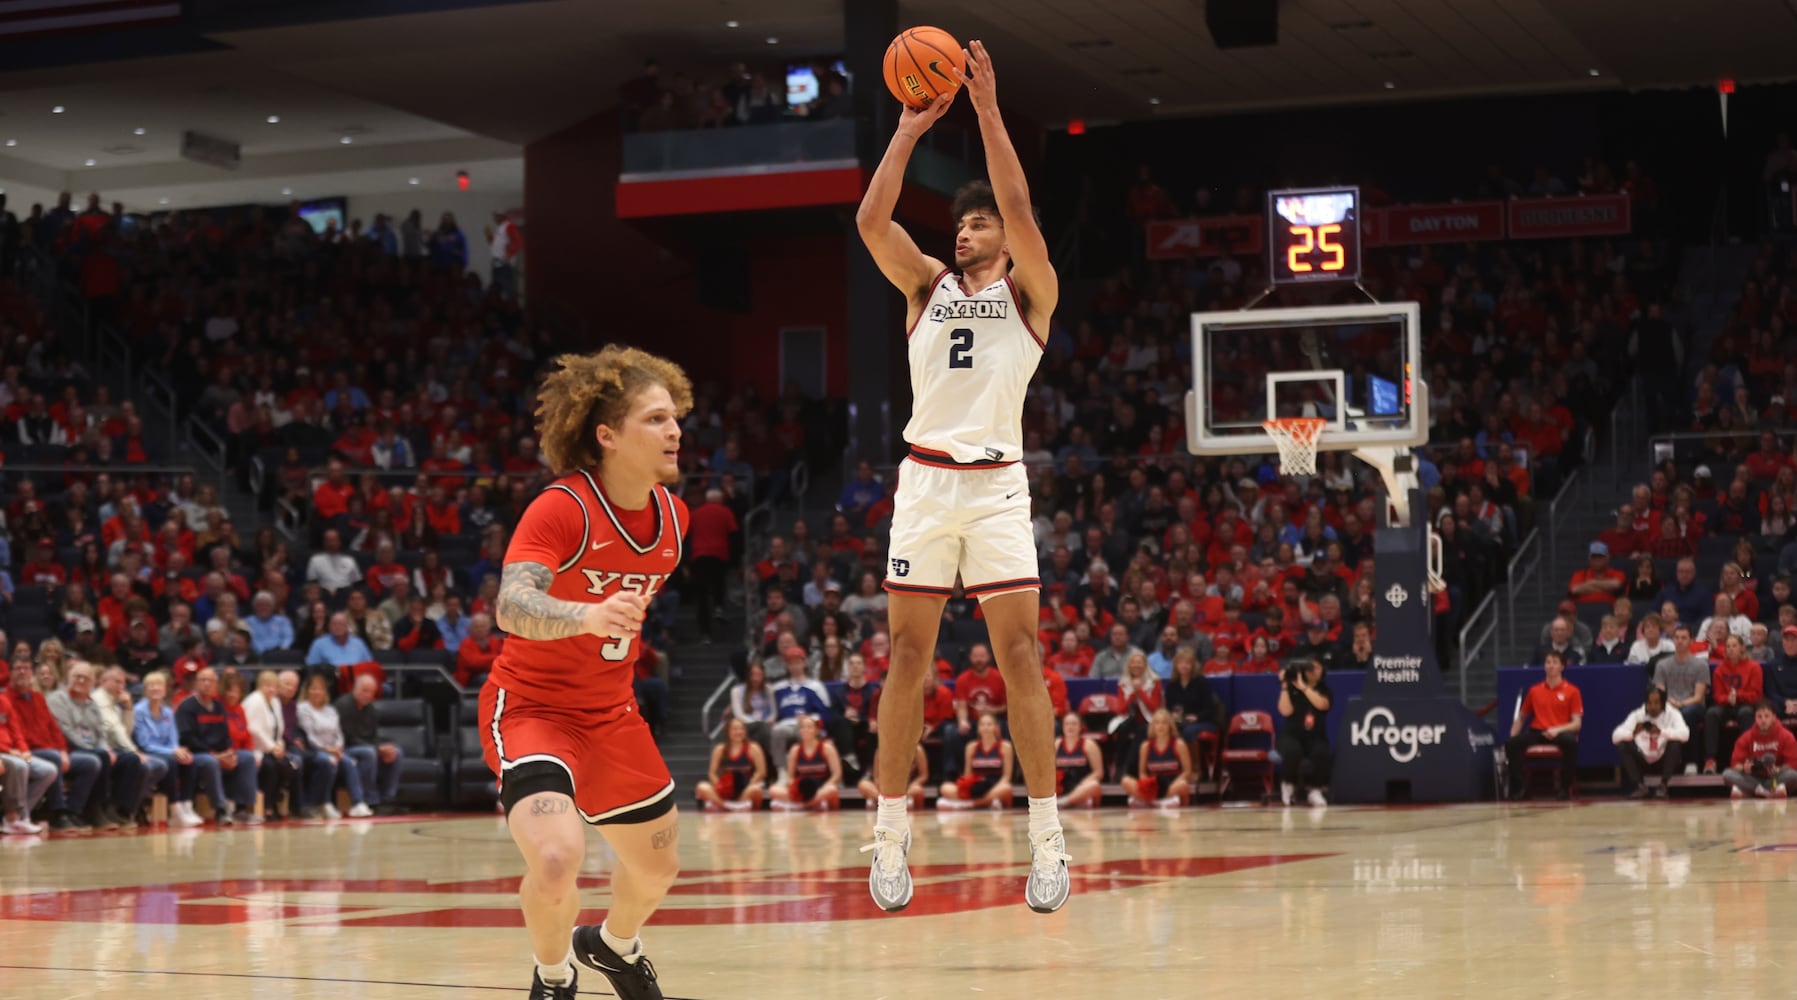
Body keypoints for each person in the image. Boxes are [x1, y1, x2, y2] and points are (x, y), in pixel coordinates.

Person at [855, 39, 1067, 915]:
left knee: (1021, 655)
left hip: (997, 488)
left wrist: (984, 109)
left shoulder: (1031, 294)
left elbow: (1015, 201)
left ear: (1006, 244)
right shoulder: (925, 288)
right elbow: (872, 224)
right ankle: (888, 835)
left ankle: (1048, 839)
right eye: (960, 224)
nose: (964, 230)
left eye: (976, 225)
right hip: (926, 482)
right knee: (907, 658)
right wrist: (906, 133)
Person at [479, 346, 690, 1000]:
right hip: (532, 710)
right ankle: (553, 975)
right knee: (554, 858)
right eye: (656, 419)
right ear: (607, 435)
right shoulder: (563, 507)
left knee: (657, 871)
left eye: (676, 417)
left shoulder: (675, 522)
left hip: (611, 714)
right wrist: (586, 616)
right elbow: (511, 606)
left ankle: (612, 945)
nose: (675, 431)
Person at [47, 660, 148, 830]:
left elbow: (100, 732)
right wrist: (97, 750)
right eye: (77, 677)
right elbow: (66, 731)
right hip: (69, 749)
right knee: (100, 756)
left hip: (93, 748)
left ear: (92, 683)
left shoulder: (91, 703)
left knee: (131, 759)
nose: (81, 681)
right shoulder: (58, 699)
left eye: (86, 678)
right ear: (68, 678)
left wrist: (104, 748)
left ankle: (116, 809)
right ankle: (94, 808)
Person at [174, 667, 260, 825]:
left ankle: (242, 809)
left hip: (218, 753)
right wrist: (215, 755)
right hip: (196, 754)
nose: (207, 684)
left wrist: (229, 753)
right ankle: (220, 810)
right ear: (196, 684)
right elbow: (187, 738)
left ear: (216, 685)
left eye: (211, 681)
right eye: (203, 680)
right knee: (210, 761)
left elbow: (225, 735)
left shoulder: (219, 706)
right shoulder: (186, 707)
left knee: (247, 757)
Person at [1505, 650, 1582, 800]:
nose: (1550, 666)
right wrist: (1512, 736)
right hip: (1538, 731)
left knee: (1571, 743)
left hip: (1560, 731)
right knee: (1511, 744)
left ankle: (1565, 788)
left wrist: (1556, 730)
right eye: (1548, 662)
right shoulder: (1535, 690)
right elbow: (1521, 718)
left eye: (1554, 662)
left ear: (1562, 667)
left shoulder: (1572, 691)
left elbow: (1576, 724)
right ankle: (1521, 788)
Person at [335, 674, 404, 816]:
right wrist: (376, 748)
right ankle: (371, 800)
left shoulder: (370, 709)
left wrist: (383, 747)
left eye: (371, 692)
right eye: (364, 690)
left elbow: (374, 736)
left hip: (367, 746)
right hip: (345, 748)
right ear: (355, 688)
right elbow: (348, 737)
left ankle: (388, 799)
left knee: (396, 752)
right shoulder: (343, 705)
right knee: (369, 753)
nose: (367, 695)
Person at [1612, 685, 1688, 798]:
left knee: (1675, 744)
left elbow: (1685, 734)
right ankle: (1640, 786)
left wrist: (1662, 732)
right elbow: (1615, 737)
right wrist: (1633, 734)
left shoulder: (1673, 714)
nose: (1653, 707)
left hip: (1663, 761)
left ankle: (1663, 785)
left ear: (1663, 703)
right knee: (1623, 745)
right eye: (1650, 703)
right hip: (1643, 760)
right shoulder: (1637, 715)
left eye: (1656, 703)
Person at [1276, 658, 1334, 807]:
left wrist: (1305, 689)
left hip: (1315, 736)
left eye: (1317, 668)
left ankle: (1315, 790)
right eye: (1310, 668)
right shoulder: (1292, 689)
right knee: (1292, 751)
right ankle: (1288, 784)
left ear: (1322, 671)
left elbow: (1322, 705)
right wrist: (1284, 685)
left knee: (1321, 752)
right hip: (1292, 734)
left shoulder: (1324, 690)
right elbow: (1285, 711)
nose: (1314, 671)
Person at [1704, 634, 1763, 773]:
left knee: (1746, 713)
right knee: (1711, 713)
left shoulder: (1753, 667)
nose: (1730, 649)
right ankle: (1710, 760)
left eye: (1734, 646)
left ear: (1742, 647)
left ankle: (1748, 758)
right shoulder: (1720, 670)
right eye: (1728, 646)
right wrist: (1728, 699)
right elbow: (1717, 696)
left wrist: (1738, 696)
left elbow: (1756, 695)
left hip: (1746, 704)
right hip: (1726, 705)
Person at [296, 673, 350, 819]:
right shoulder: (302, 708)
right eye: (313, 688)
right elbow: (310, 736)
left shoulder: (330, 710)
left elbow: (339, 733)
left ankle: (358, 803)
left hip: (333, 749)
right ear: (307, 690)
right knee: (327, 761)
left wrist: (338, 747)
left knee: (348, 762)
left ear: (325, 692)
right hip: (313, 749)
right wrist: (329, 750)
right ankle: (321, 803)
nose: (316, 692)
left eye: (320, 689)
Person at [936, 712, 1014, 810]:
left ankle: (969, 804)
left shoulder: (1005, 746)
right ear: (978, 728)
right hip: (976, 787)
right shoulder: (971, 747)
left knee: (1006, 788)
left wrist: (994, 790)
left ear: (996, 727)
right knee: (945, 787)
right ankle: (988, 802)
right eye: (982, 724)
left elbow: (1006, 777)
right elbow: (967, 774)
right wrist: (965, 788)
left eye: (989, 724)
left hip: (994, 787)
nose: (985, 727)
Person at [1722, 701, 1797, 799]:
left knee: (1793, 775)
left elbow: (1793, 763)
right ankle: (1768, 791)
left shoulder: (1786, 736)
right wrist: (1745, 768)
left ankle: (1750, 792)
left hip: (1775, 778)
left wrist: (1777, 769)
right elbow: (1735, 764)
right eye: (1759, 717)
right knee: (1727, 774)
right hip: (1753, 778)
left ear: (1774, 717)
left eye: (1767, 716)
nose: (1763, 720)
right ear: (1755, 718)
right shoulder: (1745, 738)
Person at [1121, 708, 1193, 808]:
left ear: (1170, 725)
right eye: (1157, 723)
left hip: (1170, 787)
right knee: (1126, 781)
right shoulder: (1145, 746)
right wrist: (1147, 787)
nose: (1160, 726)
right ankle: (1153, 801)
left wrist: (1173, 786)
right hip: (1152, 787)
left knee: (1183, 785)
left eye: (1164, 723)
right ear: (1153, 726)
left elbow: (1187, 772)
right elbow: (1142, 773)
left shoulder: (1179, 744)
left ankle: (1151, 802)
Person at [768, 714, 842, 811]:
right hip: (802, 789)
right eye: (802, 727)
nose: (805, 730)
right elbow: (790, 777)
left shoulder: (827, 748)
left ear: (817, 731)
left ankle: (799, 805)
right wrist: (795, 789)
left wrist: (825, 786)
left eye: (809, 727)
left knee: (832, 790)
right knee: (773, 790)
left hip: (821, 788)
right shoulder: (795, 750)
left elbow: (837, 774)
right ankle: (812, 803)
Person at [693, 718, 766, 812]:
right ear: (728, 731)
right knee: (701, 787)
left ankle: (734, 804)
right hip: (725, 789)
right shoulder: (720, 749)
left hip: (745, 789)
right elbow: (712, 773)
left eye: (741, 729)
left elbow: (761, 772)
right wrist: (720, 787)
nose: (738, 732)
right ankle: (727, 806)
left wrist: (749, 785)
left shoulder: (754, 748)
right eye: (735, 729)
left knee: (756, 789)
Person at [1051, 713, 1103, 808]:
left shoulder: (1089, 745)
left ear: (1080, 727)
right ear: (1062, 727)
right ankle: (1059, 801)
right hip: (1062, 789)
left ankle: (1064, 802)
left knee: (1095, 785)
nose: (1070, 727)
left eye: (1074, 724)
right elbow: (1048, 770)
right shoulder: (1057, 744)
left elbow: (1098, 772)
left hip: (1082, 789)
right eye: (1067, 724)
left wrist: (1083, 784)